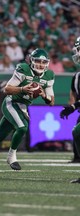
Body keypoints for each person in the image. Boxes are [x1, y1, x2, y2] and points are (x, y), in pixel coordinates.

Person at [0, 48, 55, 170]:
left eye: (44, 62)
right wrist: (23, 89)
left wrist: (44, 95)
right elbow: (7, 89)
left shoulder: (49, 75)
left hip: (23, 106)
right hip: (11, 102)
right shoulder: (24, 69)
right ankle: (11, 156)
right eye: (38, 61)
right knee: (22, 128)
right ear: (32, 61)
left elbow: (51, 102)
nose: (41, 64)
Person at [60, 36, 80, 183]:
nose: (77, 52)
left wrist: (74, 106)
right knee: (77, 131)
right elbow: (74, 95)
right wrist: (73, 106)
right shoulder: (77, 76)